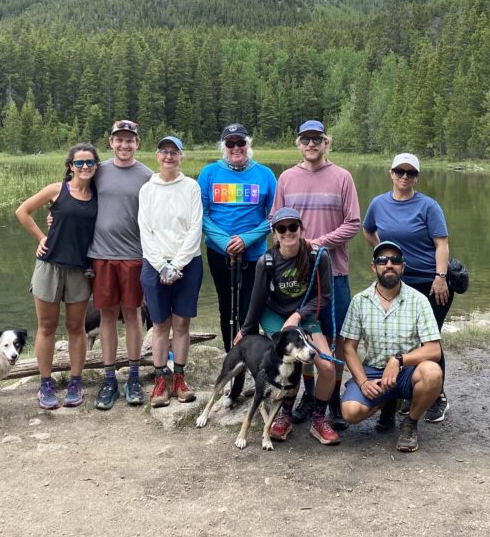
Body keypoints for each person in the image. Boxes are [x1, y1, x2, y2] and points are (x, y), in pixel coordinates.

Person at [271, 119, 360, 431]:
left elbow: (353, 223)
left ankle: (332, 398)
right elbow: (275, 220)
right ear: (298, 143)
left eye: (317, 139)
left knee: (334, 338)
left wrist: (317, 244)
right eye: (305, 139)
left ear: (326, 143)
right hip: (298, 277)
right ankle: (309, 397)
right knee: (305, 335)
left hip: (334, 272)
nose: (311, 144)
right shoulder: (286, 179)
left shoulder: (343, 178)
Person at [236, 207, 339, 445]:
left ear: (302, 230)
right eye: (282, 228)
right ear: (275, 233)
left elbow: (324, 298)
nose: (288, 232)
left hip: (305, 317)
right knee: (289, 360)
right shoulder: (267, 261)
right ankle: (284, 415)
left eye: (293, 227)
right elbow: (257, 299)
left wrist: (299, 315)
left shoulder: (318, 257)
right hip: (274, 316)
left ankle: (318, 418)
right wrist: (245, 330)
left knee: (327, 368)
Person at [361, 152, 451, 425]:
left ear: (416, 177)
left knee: (428, 340)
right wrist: (384, 259)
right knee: (398, 337)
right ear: (391, 173)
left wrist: (440, 276)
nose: (404, 176)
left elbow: (441, 244)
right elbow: (368, 230)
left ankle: (437, 396)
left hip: (428, 282)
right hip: (395, 280)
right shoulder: (378, 203)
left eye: (410, 173)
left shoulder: (428, 206)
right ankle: (402, 393)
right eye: (399, 171)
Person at [15, 143, 99, 409]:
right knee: (47, 327)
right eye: (79, 163)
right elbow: (22, 211)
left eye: (89, 162)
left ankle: (75, 381)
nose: (84, 167)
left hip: (79, 269)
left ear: (96, 165)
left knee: (76, 328)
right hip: (49, 267)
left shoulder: (99, 194)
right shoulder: (57, 190)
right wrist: (41, 237)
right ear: (70, 166)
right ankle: (45, 383)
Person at [339, 241, 443, 453]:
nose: (389, 264)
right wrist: (363, 382)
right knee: (350, 412)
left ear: (402, 267)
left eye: (395, 261)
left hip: (407, 372)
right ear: (373, 266)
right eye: (382, 260)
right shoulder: (360, 301)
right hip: (373, 370)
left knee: (432, 373)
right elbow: (348, 347)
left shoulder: (419, 300)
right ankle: (387, 401)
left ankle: (410, 423)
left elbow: (434, 350)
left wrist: (399, 360)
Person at [87, 120, 154, 410]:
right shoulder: (97, 171)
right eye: (119, 140)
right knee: (107, 316)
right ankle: (110, 377)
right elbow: (73, 197)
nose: (124, 145)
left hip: (135, 256)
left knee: (132, 315)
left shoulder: (148, 176)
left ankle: (135, 375)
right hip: (101, 255)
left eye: (130, 140)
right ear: (110, 142)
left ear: (137, 143)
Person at [196, 124, 277, 352]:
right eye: (230, 143)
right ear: (223, 146)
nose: (236, 148)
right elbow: (201, 214)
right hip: (220, 253)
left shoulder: (266, 175)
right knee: (227, 307)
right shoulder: (209, 173)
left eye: (241, 142)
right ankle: (230, 356)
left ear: (248, 144)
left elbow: (274, 216)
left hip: (254, 255)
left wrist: (246, 239)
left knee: (249, 309)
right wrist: (226, 242)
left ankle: (251, 357)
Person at [137, 135, 204, 408]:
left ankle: (179, 377)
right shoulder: (147, 190)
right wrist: (161, 265)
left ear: (181, 157)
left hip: (188, 264)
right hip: (154, 265)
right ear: (157, 156)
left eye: (174, 152)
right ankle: (160, 379)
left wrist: (176, 265)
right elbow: (145, 231)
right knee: (160, 324)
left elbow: (195, 229)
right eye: (164, 152)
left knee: (182, 324)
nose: (169, 157)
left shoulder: (191, 187)